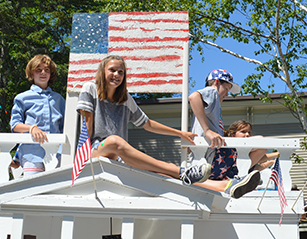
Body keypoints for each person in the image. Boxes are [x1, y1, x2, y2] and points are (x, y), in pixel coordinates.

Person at [76, 55, 211, 185]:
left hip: (119, 156)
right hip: (94, 151)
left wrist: (180, 133)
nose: (116, 74)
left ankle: (221, 185)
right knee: (114, 140)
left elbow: (148, 124)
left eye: (121, 72)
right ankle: (180, 171)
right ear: (102, 71)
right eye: (112, 70)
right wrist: (81, 160)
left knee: (164, 177)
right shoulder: (90, 89)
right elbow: (87, 125)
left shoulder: (125, 99)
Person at [188, 69, 261, 198]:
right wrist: (207, 130)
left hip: (211, 159)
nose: (227, 94)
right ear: (216, 82)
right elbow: (193, 97)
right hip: (208, 158)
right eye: (226, 88)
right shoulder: (212, 92)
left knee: (259, 144)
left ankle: (232, 180)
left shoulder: (213, 104)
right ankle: (235, 179)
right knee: (260, 142)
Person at [10, 55, 65, 176]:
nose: (43, 73)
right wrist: (31, 128)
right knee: (32, 189)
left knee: (55, 190)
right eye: (38, 70)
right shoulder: (22, 98)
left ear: (51, 74)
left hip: (56, 154)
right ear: (31, 73)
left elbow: (66, 128)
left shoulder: (59, 99)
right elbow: (14, 125)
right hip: (32, 153)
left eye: (47, 70)